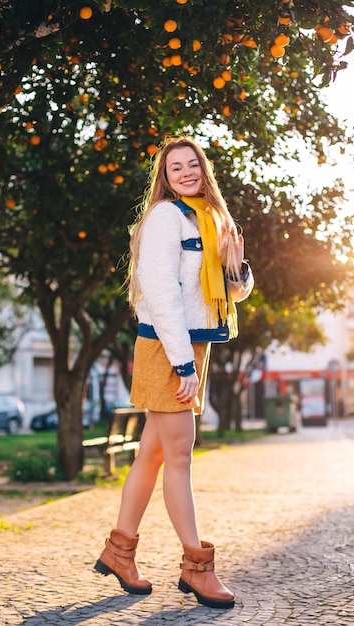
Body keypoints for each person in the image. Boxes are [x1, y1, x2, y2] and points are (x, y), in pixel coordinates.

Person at [95, 136, 254, 609]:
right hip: (168, 347)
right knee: (180, 456)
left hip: (191, 347)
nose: (185, 173)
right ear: (164, 178)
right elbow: (161, 293)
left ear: (204, 169)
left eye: (192, 165)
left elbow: (232, 294)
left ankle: (119, 551)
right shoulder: (165, 217)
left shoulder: (212, 218)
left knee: (154, 456)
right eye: (175, 168)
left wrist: (235, 267)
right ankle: (196, 566)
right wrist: (183, 364)